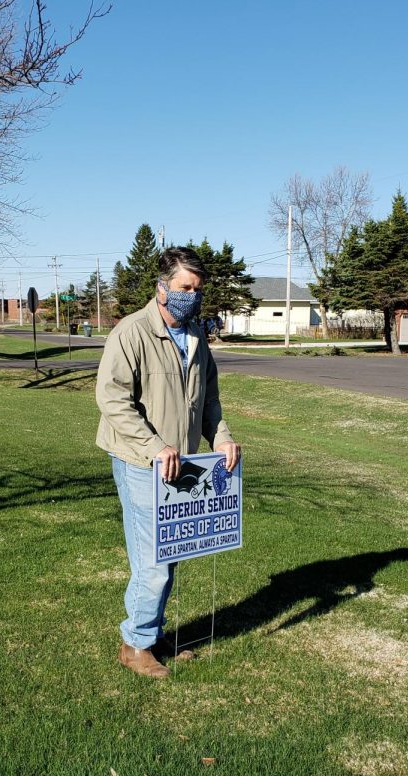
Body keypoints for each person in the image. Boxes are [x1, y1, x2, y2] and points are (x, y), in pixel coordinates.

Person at [95, 246, 241, 679]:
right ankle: (135, 645)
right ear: (162, 287)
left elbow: (209, 400)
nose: (192, 295)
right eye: (184, 287)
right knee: (153, 561)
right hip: (141, 461)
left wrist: (224, 438)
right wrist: (155, 445)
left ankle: (154, 636)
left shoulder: (196, 335)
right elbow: (112, 399)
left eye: (197, 289)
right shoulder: (132, 332)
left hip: (183, 466)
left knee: (171, 553)